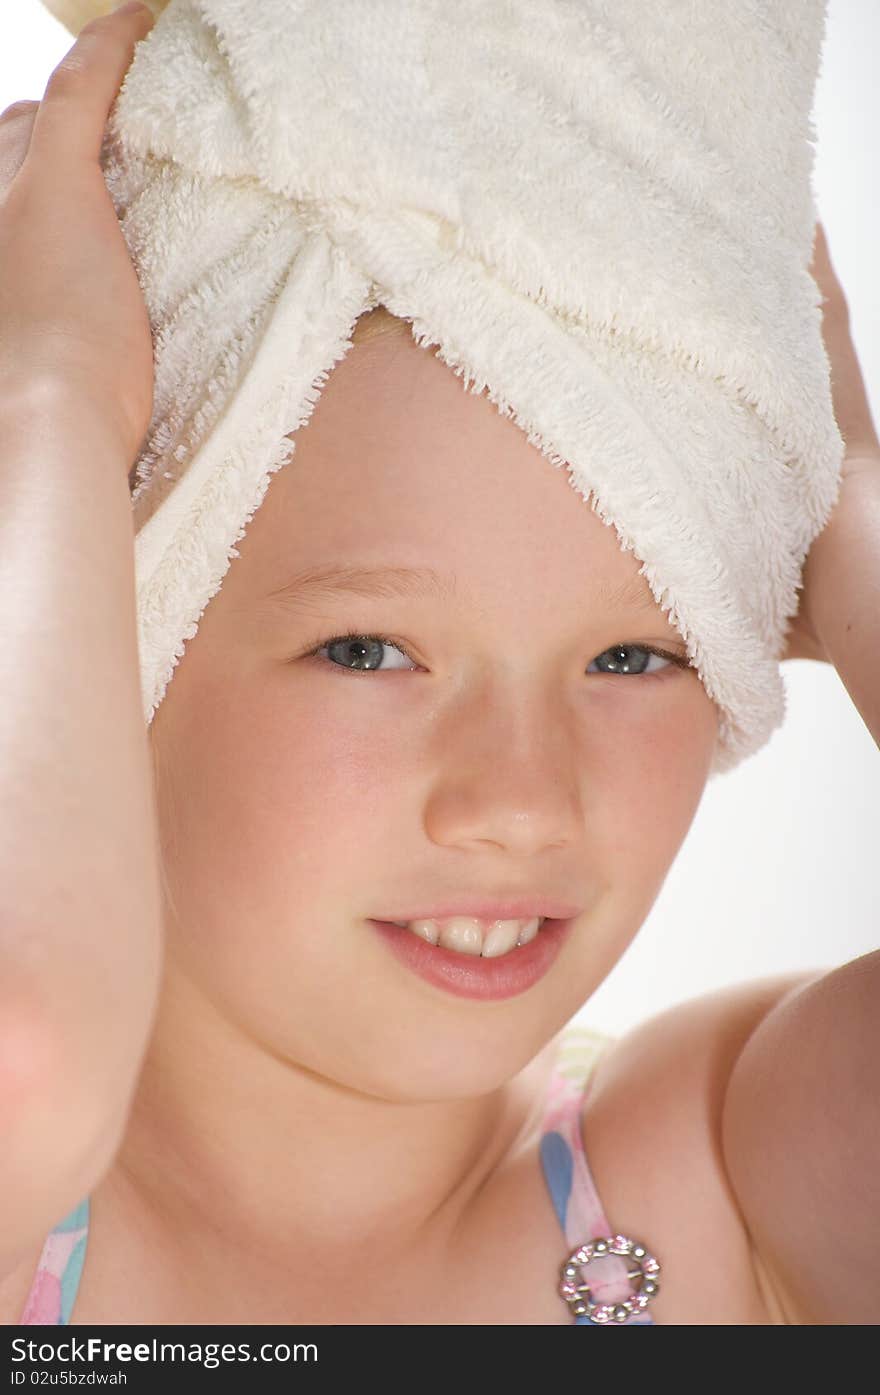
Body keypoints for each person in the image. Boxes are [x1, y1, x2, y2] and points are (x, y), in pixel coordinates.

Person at [0, 4, 877, 1326]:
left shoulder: (729, 1185)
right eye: (369, 651)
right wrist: (49, 400)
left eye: (636, 653)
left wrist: (845, 488)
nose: (523, 800)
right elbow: (29, 1048)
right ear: (117, 622)